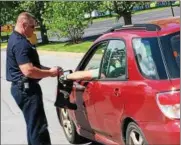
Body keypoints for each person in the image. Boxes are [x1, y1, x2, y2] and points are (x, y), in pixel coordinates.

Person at [6, 12, 61, 145]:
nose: (34, 29)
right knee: (38, 128)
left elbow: (32, 66)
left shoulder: (16, 38)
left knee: (33, 126)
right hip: (26, 90)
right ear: (24, 25)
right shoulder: (20, 43)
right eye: (32, 27)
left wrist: (50, 70)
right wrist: (49, 73)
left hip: (22, 88)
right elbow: (28, 71)